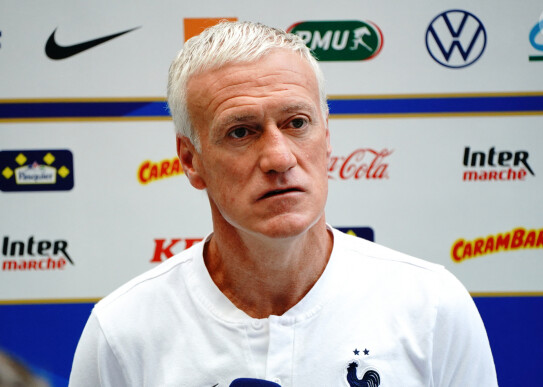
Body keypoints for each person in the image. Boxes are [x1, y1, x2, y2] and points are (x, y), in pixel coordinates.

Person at [69, 21, 497, 386]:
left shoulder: (433, 306)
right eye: (241, 131)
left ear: (327, 137)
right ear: (189, 160)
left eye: (296, 123)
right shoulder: (122, 332)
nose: (278, 157)